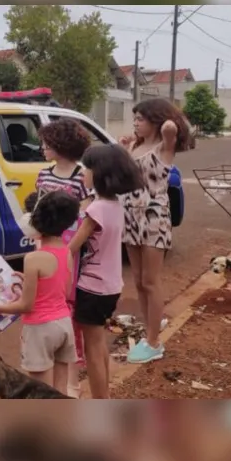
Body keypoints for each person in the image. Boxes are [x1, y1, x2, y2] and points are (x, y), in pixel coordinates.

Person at [0, 191, 81, 394]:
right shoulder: (67, 251)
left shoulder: (34, 258)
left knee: (39, 392)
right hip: (63, 324)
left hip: (40, 329)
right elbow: (65, 290)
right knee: (59, 390)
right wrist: (32, 282)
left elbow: (26, 306)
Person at [68, 144, 144, 399]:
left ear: (99, 173)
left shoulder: (95, 210)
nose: (82, 174)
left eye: (86, 169)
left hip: (92, 286)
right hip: (111, 286)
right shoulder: (115, 205)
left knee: (93, 351)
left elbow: (70, 249)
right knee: (99, 344)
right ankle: (105, 398)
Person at [118, 98, 190, 364]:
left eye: (140, 118)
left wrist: (167, 121)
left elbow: (172, 128)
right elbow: (126, 176)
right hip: (130, 216)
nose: (135, 123)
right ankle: (150, 327)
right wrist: (124, 148)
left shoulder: (164, 146)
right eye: (134, 118)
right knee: (137, 280)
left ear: (155, 121)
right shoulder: (136, 146)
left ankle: (153, 342)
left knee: (151, 281)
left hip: (153, 218)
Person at [35, 117, 93, 397]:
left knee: (68, 309)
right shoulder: (43, 174)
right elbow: (38, 211)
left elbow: (86, 217)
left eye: (47, 142)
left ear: (61, 144)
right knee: (49, 307)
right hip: (45, 249)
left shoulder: (84, 176)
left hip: (71, 252)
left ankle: (73, 378)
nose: (42, 147)